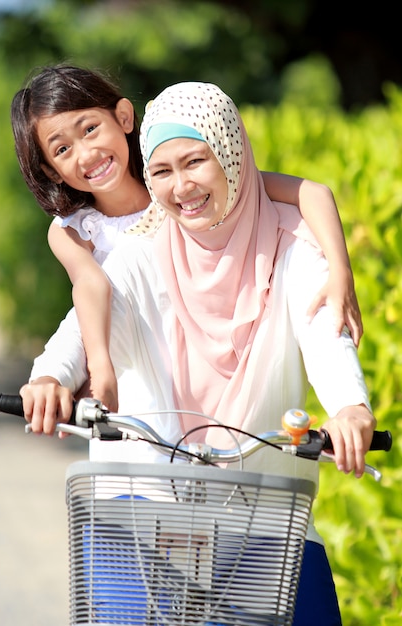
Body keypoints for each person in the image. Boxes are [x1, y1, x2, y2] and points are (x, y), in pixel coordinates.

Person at [20, 81, 376, 625]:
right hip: (140, 506)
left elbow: (324, 329)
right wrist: (50, 377)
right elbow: (88, 319)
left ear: (231, 155)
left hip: (262, 508)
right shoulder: (140, 250)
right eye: (162, 172)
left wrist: (349, 406)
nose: (181, 187)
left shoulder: (294, 245)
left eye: (197, 162)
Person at [12, 65, 363, 415]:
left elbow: (311, 193)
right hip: (131, 398)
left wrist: (340, 273)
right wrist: (78, 371)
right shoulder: (81, 232)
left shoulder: (179, 202)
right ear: (49, 169)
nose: (86, 154)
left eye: (90, 129)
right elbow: (92, 292)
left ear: (123, 117)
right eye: (61, 150)